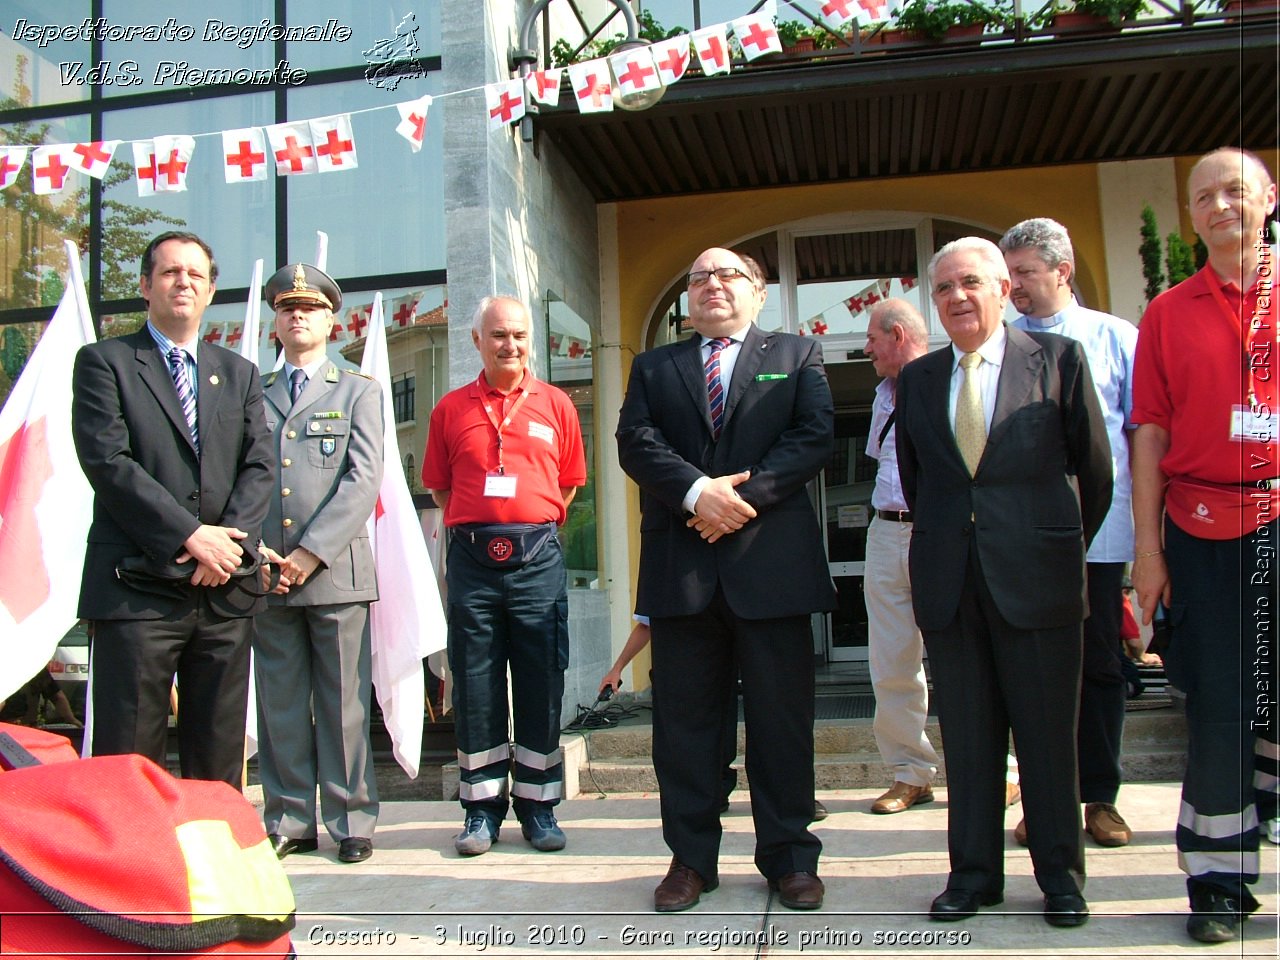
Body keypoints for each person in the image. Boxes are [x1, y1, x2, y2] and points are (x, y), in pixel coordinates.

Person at [895, 237, 1112, 928]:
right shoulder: (920, 380)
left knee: (1048, 739)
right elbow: (924, 479)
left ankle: (1060, 878)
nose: (957, 297)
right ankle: (973, 875)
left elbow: (1095, 474)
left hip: (1040, 580)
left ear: (1002, 289)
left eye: (970, 283)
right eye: (943, 289)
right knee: (969, 738)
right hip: (951, 587)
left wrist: (1051, 542)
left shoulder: (1057, 361)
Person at [616, 247, 836, 913]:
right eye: (700, 277)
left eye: (728, 275)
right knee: (684, 729)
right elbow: (636, 442)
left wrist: (739, 500)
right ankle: (690, 861)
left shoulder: (798, 356)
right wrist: (694, 494)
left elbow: (813, 436)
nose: (713, 285)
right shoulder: (655, 366)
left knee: (781, 723)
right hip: (682, 572)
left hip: (772, 569)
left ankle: (791, 858)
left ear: (758, 293)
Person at [1130, 147, 1279, 944]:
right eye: (1204, 197)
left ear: (1270, 198)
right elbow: (1149, 434)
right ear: (1190, 215)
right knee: (1220, 707)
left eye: (1236, 191)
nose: (1221, 207)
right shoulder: (1168, 312)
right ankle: (1217, 880)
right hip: (1203, 529)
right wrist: (1149, 555)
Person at [71, 231, 275, 787]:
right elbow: (109, 462)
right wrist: (191, 535)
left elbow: (260, 466)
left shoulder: (239, 373)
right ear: (145, 286)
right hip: (139, 591)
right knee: (129, 760)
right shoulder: (104, 363)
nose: (183, 282)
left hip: (224, 592)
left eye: (195, 274)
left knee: (217, 760)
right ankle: (133, 872)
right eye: (169, 272)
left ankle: (212, 872)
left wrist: (226, 545)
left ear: (211, 291)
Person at [421, 295, 586, 857]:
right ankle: (481, 810)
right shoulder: (449, 409)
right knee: (476, 683)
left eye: (518, 335)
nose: (510, 345)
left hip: (537, 559)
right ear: (477, 341)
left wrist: (527, 522)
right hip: (471, 562)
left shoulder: (556, 404)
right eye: (498, 336)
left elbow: (567, 484)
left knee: (542, 681)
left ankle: (539, 808)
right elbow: (441, 489)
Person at [1000, 217, 1139, 849]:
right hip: (1023, 542)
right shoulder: (1000, 346)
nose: (1015, 287)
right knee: (1032, 674)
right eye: (1010, 276)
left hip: (1100, 538)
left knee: (1100, 667)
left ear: (1064, 271)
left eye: (1024, 273)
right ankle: (1045, 800)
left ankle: (1099, 798)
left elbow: (1140, 440)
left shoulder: (1114, 339)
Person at [253, 263, 384, 864]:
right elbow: (245, 481)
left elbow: (363, 482)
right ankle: (288, 818)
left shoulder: (359, 390)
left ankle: (351, 819)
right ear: (275, 323)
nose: (297, 316)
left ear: (333, 321)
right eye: (286, 309)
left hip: (334, 573)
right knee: (280, 703)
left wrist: (310, 553)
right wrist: (259, 553)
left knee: (342, 705)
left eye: (309, 308)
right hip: (266, 573)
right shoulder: (252, 393)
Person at [599, 617, 828, 820]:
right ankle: (715, 791)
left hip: (759, 619)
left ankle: (795, 799)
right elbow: (646, 625)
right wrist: (617, 668)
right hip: (706, 640)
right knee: (714, 718)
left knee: (780, 718)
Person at [861, 299, 940, 816]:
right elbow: (879, 463)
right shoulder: (880, 395)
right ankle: (910, 774)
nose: (865, 348)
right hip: (885, 531)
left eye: (871, 338)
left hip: (938, 534)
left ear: (896, 335)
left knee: (969, 658)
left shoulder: (947, 379)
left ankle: (1000, 772)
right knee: (892, 661)